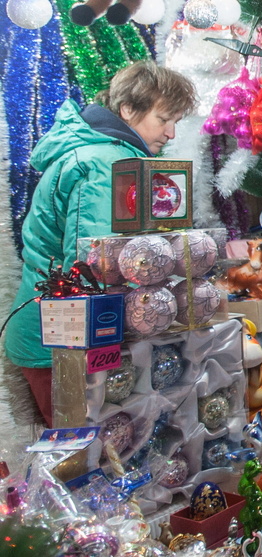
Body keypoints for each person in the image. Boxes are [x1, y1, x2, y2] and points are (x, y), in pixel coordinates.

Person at [4, 61, 196, 425]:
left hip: (64, 334)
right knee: (82, 457)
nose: (171, 133)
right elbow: (92, 265)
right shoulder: (106, 162)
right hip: (62, 341)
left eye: (176, 122)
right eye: (163, 119)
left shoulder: (113, 155)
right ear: (128, 110)